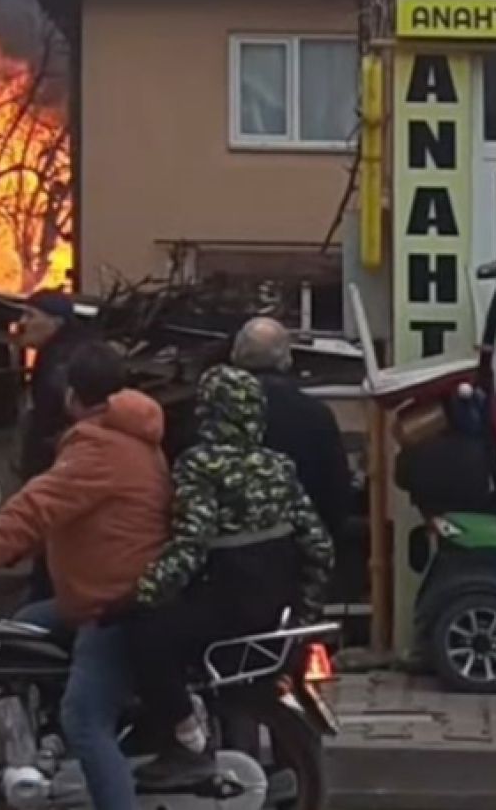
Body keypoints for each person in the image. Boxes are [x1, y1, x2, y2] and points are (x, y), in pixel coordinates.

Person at [0, 344, 169, 810]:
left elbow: (38, 504)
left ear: (72, 397)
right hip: (96, 592)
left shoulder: (99, 447)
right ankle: (41, 745)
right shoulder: (130, 435)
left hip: (111, 603)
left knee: (85, 718)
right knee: (21, 628)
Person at [124, 365, 335, 783]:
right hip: (274, 611)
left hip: (224, 607)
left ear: (209, 411)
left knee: (145, 635)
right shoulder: (279, 466)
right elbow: (319, 546)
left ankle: (187, 739)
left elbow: (191, 543)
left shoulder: (199, 465)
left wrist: (142, 592)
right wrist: (304, 612)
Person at [231, 317, 355, 539]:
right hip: (297, 544)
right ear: (286, 359)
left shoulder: (214, 410)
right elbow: (336, 490)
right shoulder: (315, 414)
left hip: (228, 552)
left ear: (236, 355)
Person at [12, 289, 96, 601]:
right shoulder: (61, 353)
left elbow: (62, 417)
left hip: (60, 474)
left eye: (30, 316)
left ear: (56, 322)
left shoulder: (63, 361)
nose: (22, 323)